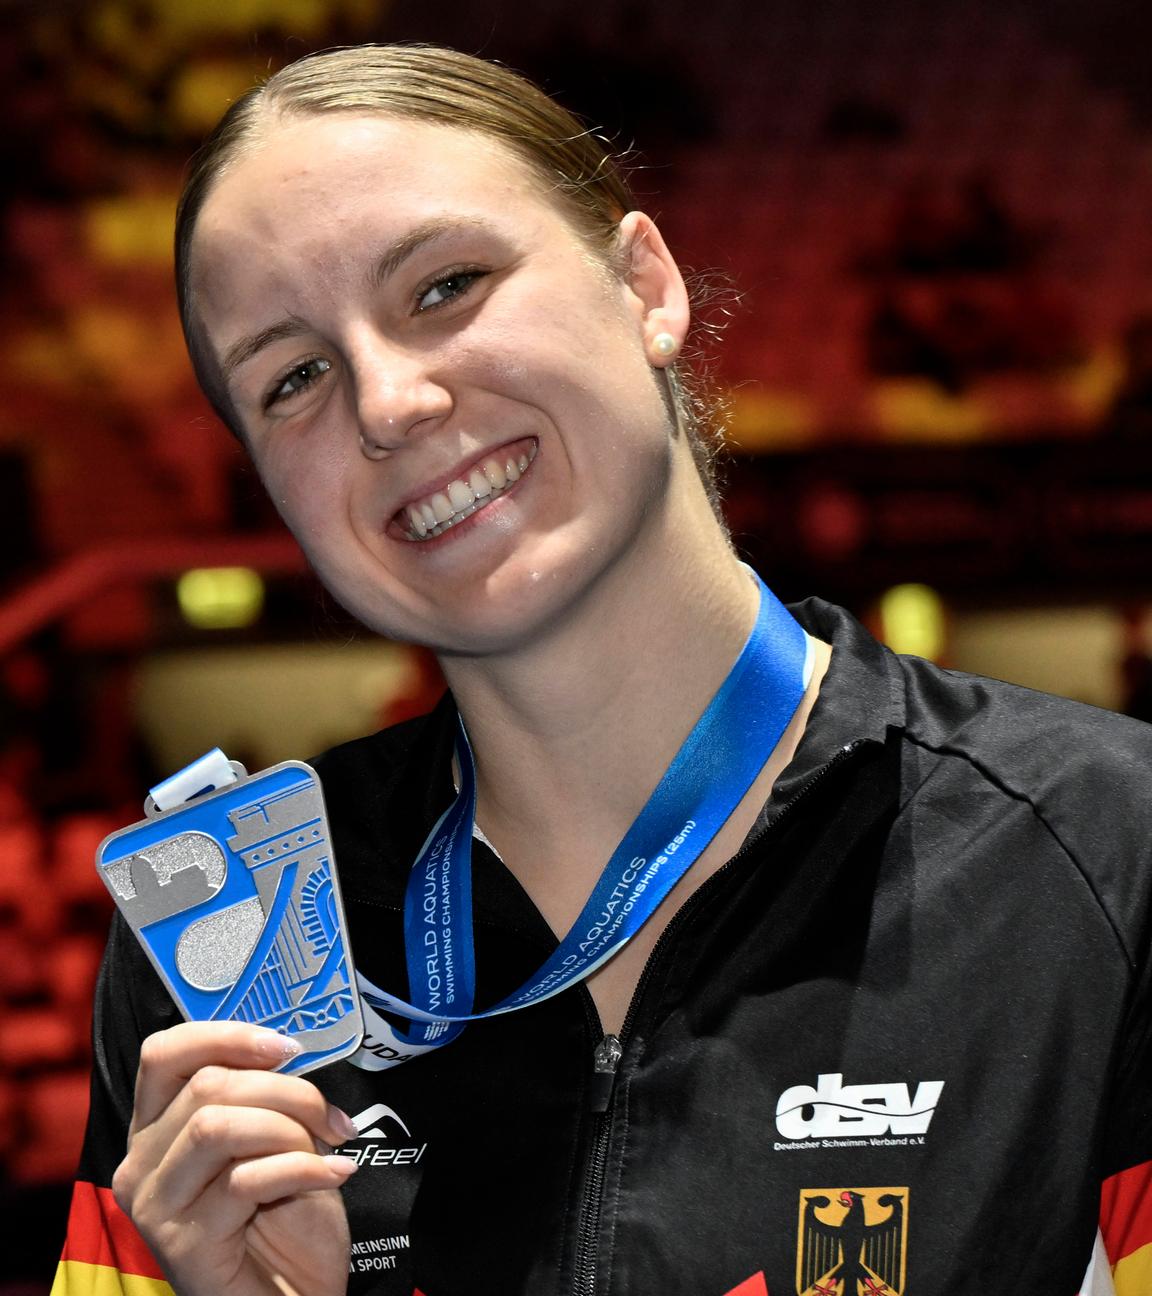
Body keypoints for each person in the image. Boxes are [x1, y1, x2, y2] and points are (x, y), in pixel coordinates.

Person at [54, 44, 1152, 1296]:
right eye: (292, 377)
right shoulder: (217, 979)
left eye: (445, 285)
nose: (389, 403)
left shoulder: (1110, 851)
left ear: (645, 285)